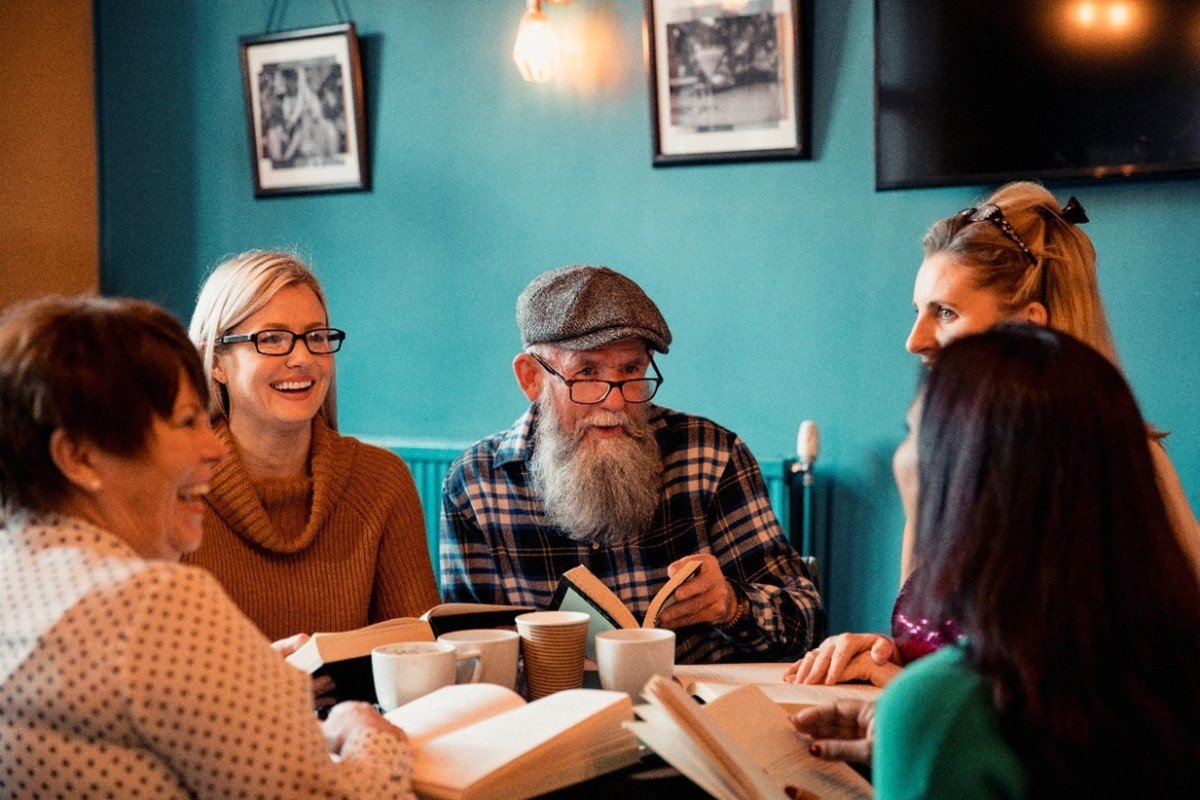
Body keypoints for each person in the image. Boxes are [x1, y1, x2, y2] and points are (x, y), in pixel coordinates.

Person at [786, 180, 1200, 687]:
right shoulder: (934, 462)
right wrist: (882, 656)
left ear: (1029, 328)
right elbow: (935, 653)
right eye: (917, 311)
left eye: (946, 312)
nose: (914, 341)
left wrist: (906, 694)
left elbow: (1128, 694)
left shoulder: (1123, 460)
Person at [0, 295, 414, 798]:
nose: (215, 448)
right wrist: (366, 734)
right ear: (79, 457)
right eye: (186, 422)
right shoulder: (153, 604)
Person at [795, 326, 1200, 796]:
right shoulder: (1169, 675)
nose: (901, 458)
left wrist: (926, 729)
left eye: (914, 434)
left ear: (966, 476)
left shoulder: (944, 707)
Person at [439, 265, 822, 664]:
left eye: (631, 371)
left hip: (692, 712)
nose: (616, 402)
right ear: (531, 378)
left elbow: (808, 623)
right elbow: (467, 658)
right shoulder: (475, 485)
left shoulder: (711, 455)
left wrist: (732, 605)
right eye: (587, 372)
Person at [184, 250, 439, 642]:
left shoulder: (382, 482)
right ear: (215, 360)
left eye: (317, 337)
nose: (303, 358)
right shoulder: (174, 489)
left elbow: (418, 653)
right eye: (271, 339)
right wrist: (262, 677)